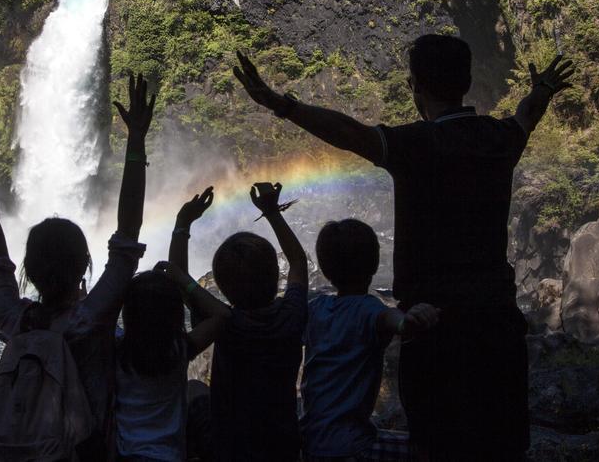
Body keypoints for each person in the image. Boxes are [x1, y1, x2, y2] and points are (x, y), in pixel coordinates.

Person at [234, 35, 575, 460]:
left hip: (433, 327)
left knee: (435, 445)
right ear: (466, 81)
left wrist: (282, 105)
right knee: (502, 443)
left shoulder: (415, 145)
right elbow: (528, 115)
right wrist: (542, 88)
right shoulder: (499, 139)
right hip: (497, 324)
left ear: (415, 85)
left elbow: (348, 133)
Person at [0, 72, 155, 461]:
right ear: (85, 266)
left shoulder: (13, 319)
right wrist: (137, 139)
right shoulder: (91, 320)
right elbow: (129, 234)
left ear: (26, 268)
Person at [301, 218, 440, 462]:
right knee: (427, 451)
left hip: (310, 442)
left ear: (325, 270)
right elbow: (393, 321)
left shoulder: (316, 309)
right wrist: (410, 320)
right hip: (351, 446)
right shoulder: (368, 309)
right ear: (375, 264)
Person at [193, 182, 309, 462]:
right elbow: (298, 261)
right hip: (282, 444)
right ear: (275, 277)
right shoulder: (291, 314)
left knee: (194, 393)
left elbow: (189, 292)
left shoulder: (225, 324)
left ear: (222, 287)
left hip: (230, 447)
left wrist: (182, 228)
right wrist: (272, 212)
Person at [115, 188, 230, 462]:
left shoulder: (115, 350)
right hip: (169, 455)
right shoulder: (178, 350)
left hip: (125, 456)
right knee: (196, 389)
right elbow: (223, 315)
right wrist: (182, 278)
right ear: (177, 315)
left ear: (127, 313)